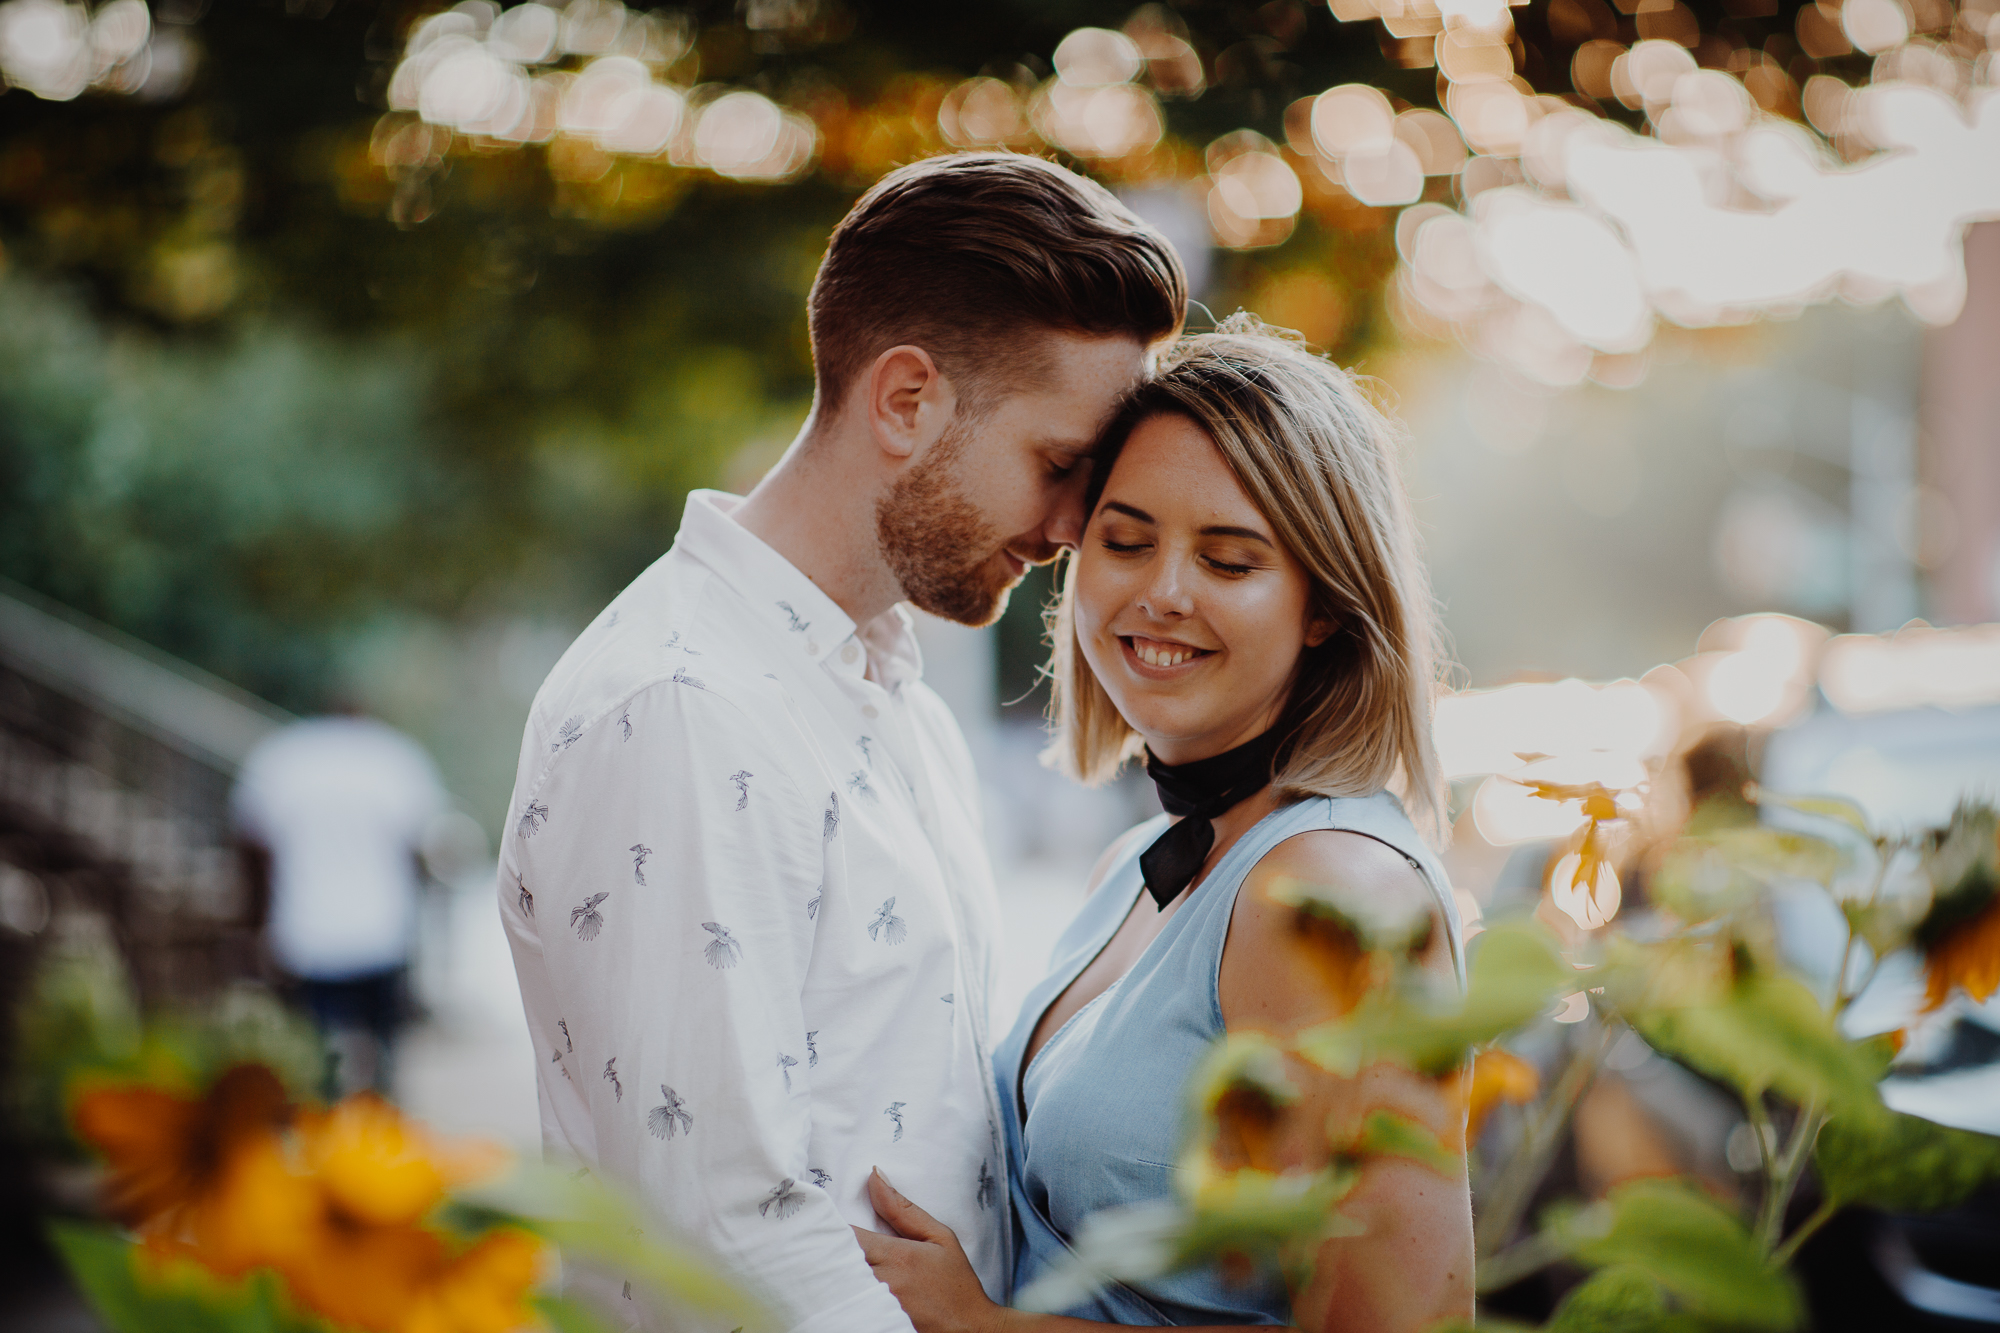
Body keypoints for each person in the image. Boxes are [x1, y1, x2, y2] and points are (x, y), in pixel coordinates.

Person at [496, 152, 1186, 1332]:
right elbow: (719, 1231)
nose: (1073, 528)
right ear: (906, 399)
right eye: (1057, 465)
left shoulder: (892, 700)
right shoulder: (680, 706)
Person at [851, 320, 1475, 1331]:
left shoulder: (1337, 895)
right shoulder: (1136, 862)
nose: (1161, 592)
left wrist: (989, 1328)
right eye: (1126, 540)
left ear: (1321, 603)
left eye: (1229, 561)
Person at [231, 708, 446, 1097]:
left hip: (308, 933)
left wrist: (256, 927)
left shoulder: (283, 757)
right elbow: (421, 853)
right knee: (383, 1058)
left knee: (316, 1057)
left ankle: (322, 1131)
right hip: (382, 931)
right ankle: (380, 1135)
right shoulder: (395, 758)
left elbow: (252, 848)